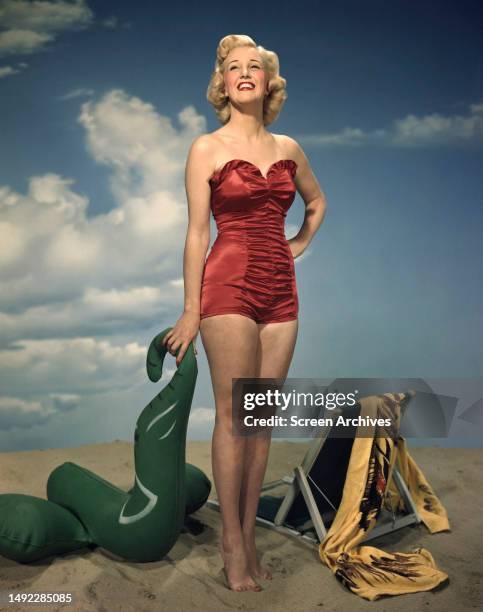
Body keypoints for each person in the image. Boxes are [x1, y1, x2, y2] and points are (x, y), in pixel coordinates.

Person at [162, 34, 326, 591]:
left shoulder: (289, 147)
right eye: (235, 67)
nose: (246, 73)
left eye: (255, 66)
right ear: (223, 84)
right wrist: (190, 309)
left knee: (260, 422)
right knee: (235, 416)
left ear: (269, 83)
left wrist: (298, 242)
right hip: (226, 284)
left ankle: (250, 538)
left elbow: (317, 201)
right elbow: (195, 232)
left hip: (282, 293)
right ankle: (231, 542)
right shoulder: (206, 148)